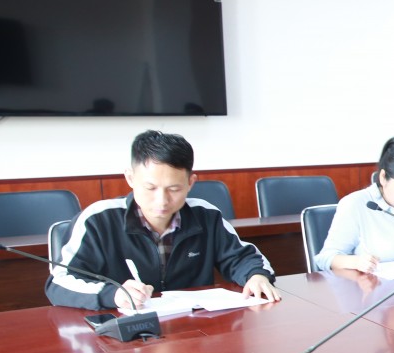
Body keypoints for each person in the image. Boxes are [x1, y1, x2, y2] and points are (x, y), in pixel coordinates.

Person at [46, 130, 280, 310]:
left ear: (191, 183)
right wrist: (113, 294)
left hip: (192, 329)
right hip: (123, 335)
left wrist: (256, 275)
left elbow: (243, 257)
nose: (162, 200)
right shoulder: (98, 220)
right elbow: (59, 283)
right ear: (130, 178)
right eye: (150, 188)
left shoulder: (205, 215)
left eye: (174, 189)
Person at [314, 137, 394, 274]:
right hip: (370, 284)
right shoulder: (355, 204)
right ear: (383, 177)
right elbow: (325, 258)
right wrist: (356, 262)